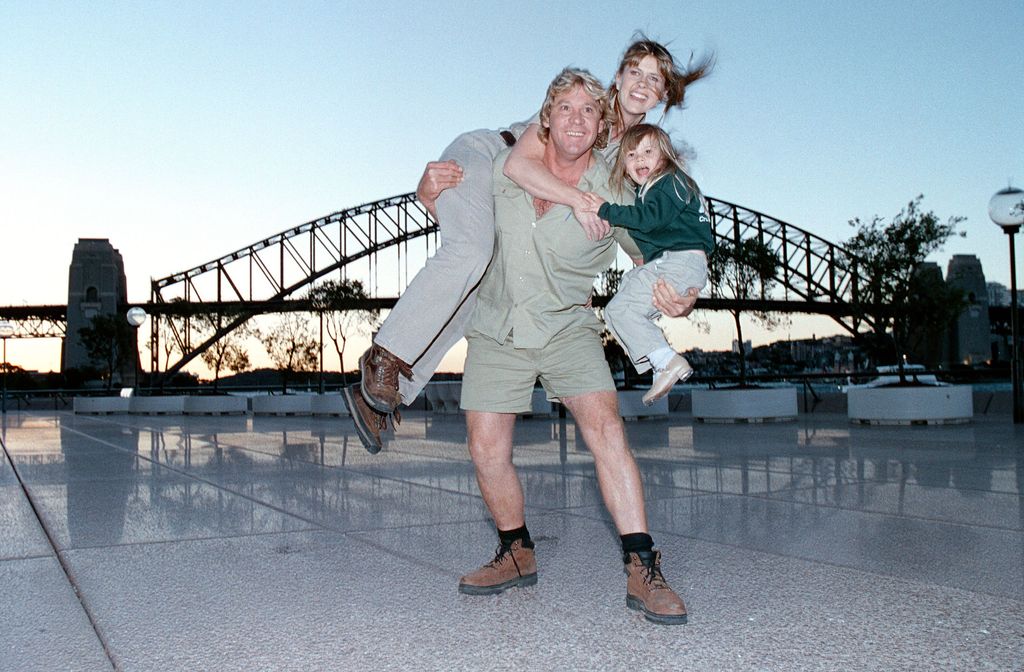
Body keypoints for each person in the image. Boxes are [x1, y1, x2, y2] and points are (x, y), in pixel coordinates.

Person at [343, 38, 713, 454]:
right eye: (636, 72)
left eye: (655, 79)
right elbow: (517, 165)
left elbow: (649, 241)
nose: (642, 84)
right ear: (618, 76)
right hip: (488, 159)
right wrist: (577, 200)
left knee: (478, 287)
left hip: (510, 203)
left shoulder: (639, 155)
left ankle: (377, 397)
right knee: (472, 253)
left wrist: (682, 294)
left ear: (664, 94)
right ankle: (384, 357)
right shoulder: (586, 102)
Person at [456, 67, 688, 626]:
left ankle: (643, 567)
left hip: (567, 327)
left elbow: (662, 249)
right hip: (498, 324)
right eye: (566, 109)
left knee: (607, 430)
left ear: (602, 122)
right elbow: (453, 213)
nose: (577, 120)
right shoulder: (507, 170)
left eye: (589, 110)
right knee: (486, 448)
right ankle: (516, 551)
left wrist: (682, 295)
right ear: (547, 118)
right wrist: (428, 187)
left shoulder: (616, 194)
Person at [582, 123, 714, 405]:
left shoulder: (668, 182)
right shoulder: (663, 186)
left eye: (647, 151)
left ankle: (666, 360)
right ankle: (660, 366)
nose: (639, 158)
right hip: (679, 262)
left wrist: (604, 210)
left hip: (678, 261)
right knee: (626, 298)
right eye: (630, 155)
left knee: (619, 309)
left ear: (664, 157)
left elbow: (647, 219)